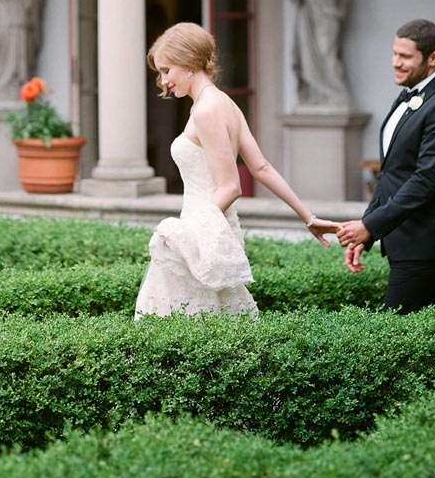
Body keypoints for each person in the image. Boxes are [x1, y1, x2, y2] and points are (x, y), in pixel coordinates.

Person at [135, 22, 338, 319]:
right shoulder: (223, 102)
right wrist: (309, 218)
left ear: (189, 63)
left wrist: (186, 233)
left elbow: (230, 186)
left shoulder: (206, 110)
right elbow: (261, 167)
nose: (163, 81)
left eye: (166, 70)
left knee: (185, 324)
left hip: (202, 232)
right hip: (212, 228)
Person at [335, 19, 435, 314]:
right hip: (405, 235)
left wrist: (369, 226)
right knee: (428, 323)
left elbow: (424, 181)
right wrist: (368, 231)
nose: (395, 63)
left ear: (434, 58)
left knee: (392, 324)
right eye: (395, 53)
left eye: (405, 57)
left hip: (426, 237)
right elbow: (391, 175)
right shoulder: (408, 95)